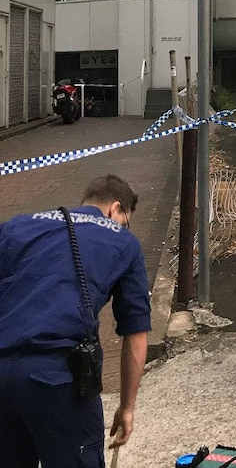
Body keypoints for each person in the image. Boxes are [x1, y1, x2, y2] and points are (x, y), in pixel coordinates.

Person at [0, 174, 151, 467]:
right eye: (125, 219)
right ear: (114, 209)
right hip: (58, 380)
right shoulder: (123, 242)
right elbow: (136, 334)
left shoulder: (17, 226)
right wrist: (127, 406)